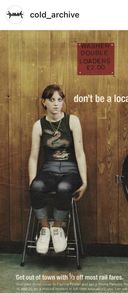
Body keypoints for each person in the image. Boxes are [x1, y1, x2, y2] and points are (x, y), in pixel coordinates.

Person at [28, 84, 87, 254]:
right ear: (43, 102)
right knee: (37, 186)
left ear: (63, 102)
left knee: (63, 188)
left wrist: (85, 181)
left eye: (59, 100)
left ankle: (58, 228)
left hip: (70, 171)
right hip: (49, 170)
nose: (56, 104)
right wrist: (32, 182)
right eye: (51, 100)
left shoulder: (72, 121)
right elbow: (33, 157)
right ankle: (45, 229)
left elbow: (80, 153)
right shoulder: (38, 125)